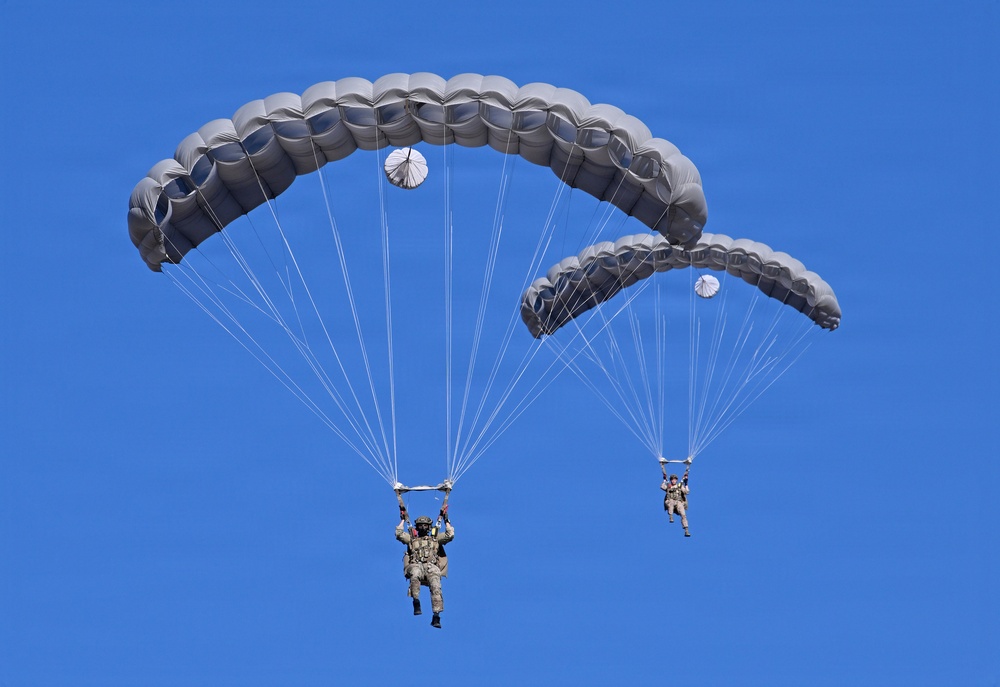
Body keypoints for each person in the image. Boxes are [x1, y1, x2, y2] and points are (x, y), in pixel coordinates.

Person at [395, 511, 454, 628]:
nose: (423, 527)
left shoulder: (435, 538)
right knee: (415, 573)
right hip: (416, 564)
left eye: (425, 525)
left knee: (436, 586)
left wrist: (447, 521)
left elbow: (449, 535)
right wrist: (402, 519)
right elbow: (399, 534)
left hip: (431, 566)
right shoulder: (412, 539)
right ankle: (416, 601)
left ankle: (436, 615)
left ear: (429, 527)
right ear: (417, 527)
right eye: (421, 525)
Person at [661, 472, 690, 537]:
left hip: (678, 502)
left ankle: (686, 530)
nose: (673, 481)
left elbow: (687, 492)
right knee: (671, 501)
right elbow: (662, 487)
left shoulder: (679, 486)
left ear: (676, 480)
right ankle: (671, 516)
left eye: (674, 479)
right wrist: (664, 480)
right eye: (672, 479)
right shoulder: (669, 487)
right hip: (670, 502)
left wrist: (686, 483)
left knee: (683, 514)